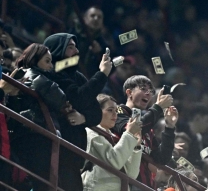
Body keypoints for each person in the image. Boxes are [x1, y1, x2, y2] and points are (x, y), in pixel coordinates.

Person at [43, 33, 112, 191]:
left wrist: (83, 117)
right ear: (56, 49)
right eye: (70, 47)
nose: (76, 51)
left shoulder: (77, 76)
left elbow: (96, 114)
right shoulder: (53, 73)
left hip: (75, 155)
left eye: (76, 47)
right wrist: (102, 74)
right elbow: (79, 98)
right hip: (56, 148)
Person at [9, 43, 77, 191]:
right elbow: (59, 98)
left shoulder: (27, 74)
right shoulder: (34, 74)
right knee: (43, 181)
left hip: (32, 134)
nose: (51, 66)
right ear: (34, 59)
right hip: (36, 135)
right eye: (47, 61)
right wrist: (65, 104)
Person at [112, 75, 177, 189]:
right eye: (143, 89)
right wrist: (158, 107)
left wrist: (169, 127)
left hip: (146, 185)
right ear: (129, 92)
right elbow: (133, 131)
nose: (148, 93)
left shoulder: (148, 127)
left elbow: (161, 158)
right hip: (125, 183)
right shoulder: (117, 113)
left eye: (151, 91)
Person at [82, 94, 142, 191]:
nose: (115, 115)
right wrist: (129, 133)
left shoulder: (112, 136)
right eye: (110, 110)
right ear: (96, 111)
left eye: (116, 110)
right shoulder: (91, 133)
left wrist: (136, 146)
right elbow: (115, 161)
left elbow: (132, 174)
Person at [71, 7, 110, 76]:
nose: (96, 19)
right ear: (85, 19)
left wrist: (100, 53)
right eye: (92, 16)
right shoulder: (72, 34)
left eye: (99, 17)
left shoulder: (102, 44)